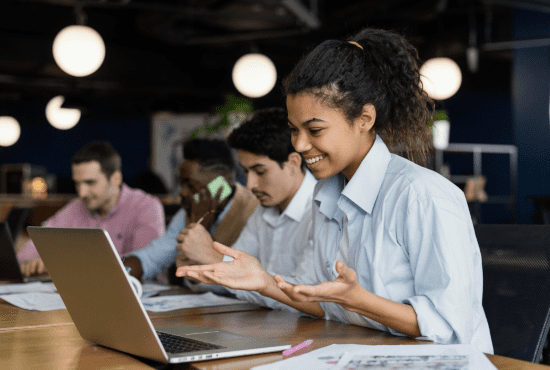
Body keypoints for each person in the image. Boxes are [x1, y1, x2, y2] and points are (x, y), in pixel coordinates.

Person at [175, 28, 493, 353]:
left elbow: (449, 328)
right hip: (370, 354)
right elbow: (328, 304)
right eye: (294, 130)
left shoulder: (422, 196)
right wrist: (263, 281)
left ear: (364, 118)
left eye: (314, 129)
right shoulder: (327, 195)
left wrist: (359, 301)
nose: (299, 145)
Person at [175, 108, 317, 308]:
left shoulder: (323, 211)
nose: (250, 185)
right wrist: (199, 271)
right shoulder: (263, 210)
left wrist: (212, 257)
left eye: (260, 171)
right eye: (246, 172)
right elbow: (239, 283)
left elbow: (307, 299)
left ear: (293, 163)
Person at [18, 141, 165, 277]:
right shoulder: (76, 207)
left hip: (144, 297)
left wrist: (63, 264)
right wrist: (29, 262)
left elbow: (142, 264)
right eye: (77, 183)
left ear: (116, 178)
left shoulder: (146, 206)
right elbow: (35, 245)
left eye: (90, 182)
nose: (82, 193)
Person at [123, 138, 259, 281]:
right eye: (181, 183)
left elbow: (240, 279)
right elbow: (152, 258)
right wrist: (117, 273)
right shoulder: (188, 212)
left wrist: (201, 229)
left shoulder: (253, 210)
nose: (182, 192)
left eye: (190, 184)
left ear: (221, 181)